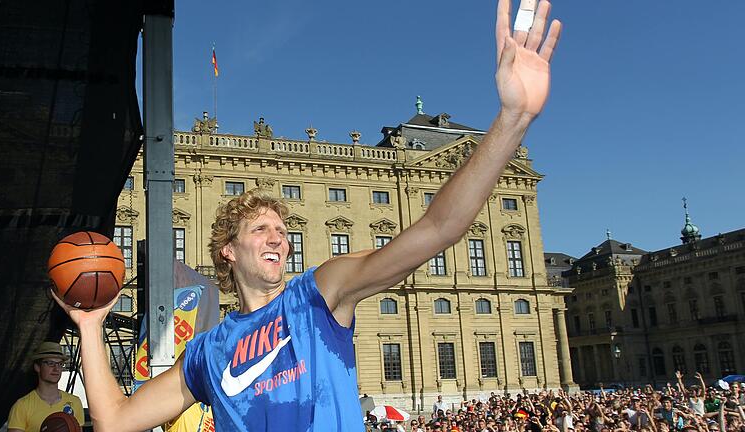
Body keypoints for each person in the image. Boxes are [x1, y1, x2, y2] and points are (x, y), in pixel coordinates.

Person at [51, 1, 562, 430]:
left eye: (284, 229)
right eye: (262, 228)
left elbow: (438, 229)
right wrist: (91, 325)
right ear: (227, 250)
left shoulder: (320, 296)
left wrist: (512, 119)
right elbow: (114, 422)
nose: (280, 238)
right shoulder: (207, 352)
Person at [6, 342, 84, 432]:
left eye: (60, 364)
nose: (56, 369)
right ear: (37, 367)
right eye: (50, 363)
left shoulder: (75, 402)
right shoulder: (21, 406)